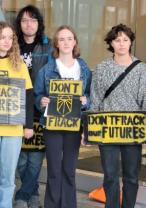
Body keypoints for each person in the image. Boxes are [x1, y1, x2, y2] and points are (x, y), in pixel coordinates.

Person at [90, 23, 146, 208]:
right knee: (110, 176)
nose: (122, 44)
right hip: (107, 129)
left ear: (131, 42)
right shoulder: (101, 68)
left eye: (125, 39)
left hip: (133, 130)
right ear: (111, 43)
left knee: (131, 177)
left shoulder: (141, 68)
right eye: (117, 40)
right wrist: (89, 130)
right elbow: (95, 100)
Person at [34, 25, 91, 208]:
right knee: (53, 170)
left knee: (69, 170)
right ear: (56, 44)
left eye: (69, 38)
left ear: (75, 42)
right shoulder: (47, 69)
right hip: (52, 125)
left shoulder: (83, 68)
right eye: (61, 39)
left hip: (74, 125)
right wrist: (41, 101)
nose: (66, 42)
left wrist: (86, 100)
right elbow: (37, 95)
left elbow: (91, 95)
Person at [14, 5, 52, 208]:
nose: (29, 24)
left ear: (39, 24)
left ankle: (23, 195)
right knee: (20, 158)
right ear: (19, 24)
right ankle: (32, 192)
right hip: (15, 107)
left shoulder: (47, 46)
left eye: (33, 20)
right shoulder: (12, 46)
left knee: (36, 158)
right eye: (24, 20)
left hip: (39, 107)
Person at [0, 21, 33, 208]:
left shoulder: (18, 64)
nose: (7, 41)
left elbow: (28, 95)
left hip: (13, 129)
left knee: (8, 175)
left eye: (10, 37)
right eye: (2, 37)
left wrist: (29, 125)